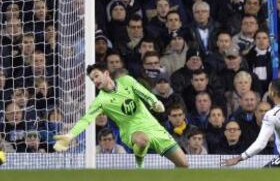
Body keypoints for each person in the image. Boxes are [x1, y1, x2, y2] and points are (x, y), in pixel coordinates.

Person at [53, 62, 188, 168]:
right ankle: (139, 164)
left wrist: (154, 102)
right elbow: (86, 119)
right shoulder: (101, 100)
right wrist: (70, 135)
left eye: (96, 76)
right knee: (142, 140)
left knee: (183, 165)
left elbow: (143, 92)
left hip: (153, 126)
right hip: (131, 130)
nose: (94, 81)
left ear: (106, 73)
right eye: (92, 79)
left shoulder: (126, 81)